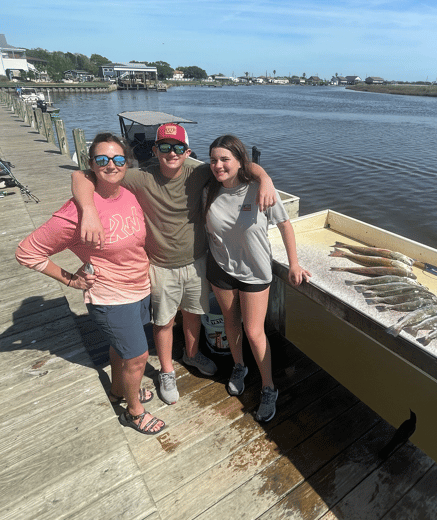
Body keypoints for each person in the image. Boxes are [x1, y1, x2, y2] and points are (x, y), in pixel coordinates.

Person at [72, 123, 277, 405]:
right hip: (160, 264)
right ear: (155, 150)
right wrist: (88, 210)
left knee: (193, 314)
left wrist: (265, 178)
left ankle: (191, 355)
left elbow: (242, 166)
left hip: (197, 262)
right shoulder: (139, 177)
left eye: (178, 147)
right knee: (164, 320)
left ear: (187, 151)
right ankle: (167, 371)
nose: (171, 152)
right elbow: (83, 176)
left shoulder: (201, 171)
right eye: (165, 147)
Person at [16, 133, 165, 435]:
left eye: (118, 159)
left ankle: (119, 391)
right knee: (137, 356)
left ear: (127, 163)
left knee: (121, 349)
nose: (111, 165)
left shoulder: (128, 193)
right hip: (110, 296)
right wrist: (71, 279)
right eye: (102, 159)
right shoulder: (75, 212)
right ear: (91, 164)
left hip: (139, 288)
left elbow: (81, 177)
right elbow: (27, 252)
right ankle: (134, 412)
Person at [205, 134, 310, 422]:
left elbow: (286, 225)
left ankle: (268, 387)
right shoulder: (208, 188)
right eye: (214, 160)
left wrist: (294, 264)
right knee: (230, 321)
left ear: (241, 162)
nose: (218, 165)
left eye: (225, 159)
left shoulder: (259, 189)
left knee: (254, 331)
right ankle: (239, 365)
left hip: (255, 271)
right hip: (220, 268)